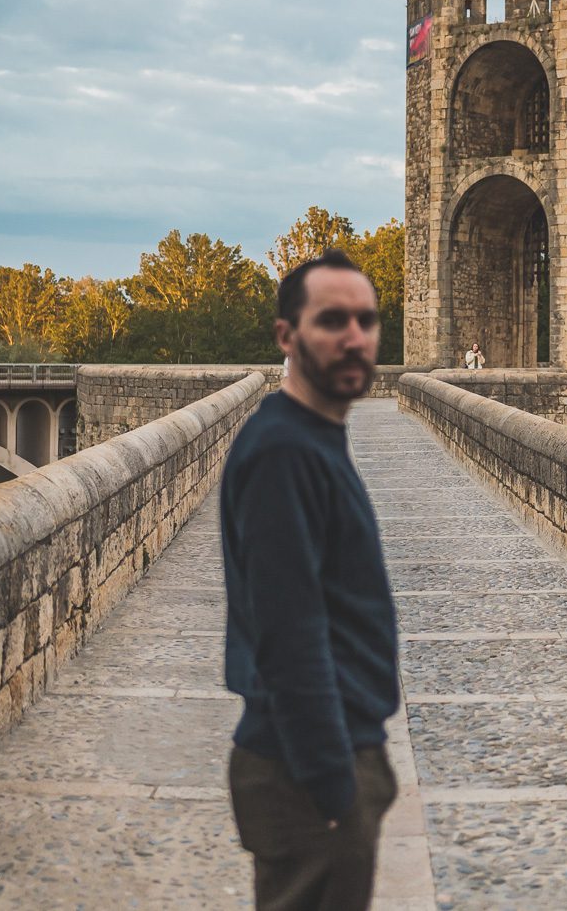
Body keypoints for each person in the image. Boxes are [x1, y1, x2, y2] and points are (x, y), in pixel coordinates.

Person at [221, 248, 399, 911]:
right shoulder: (284, 451)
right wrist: (334, 786)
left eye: (366, 320)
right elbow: (288, 633)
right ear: (286, 336)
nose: (354, 336)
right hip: (308, 774)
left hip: (325, 762)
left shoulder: (312, 436)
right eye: (332, 320)